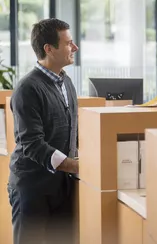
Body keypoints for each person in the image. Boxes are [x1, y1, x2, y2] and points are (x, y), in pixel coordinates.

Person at [7, 18, 79, 244]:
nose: (75, 48)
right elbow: (32, 144)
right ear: (49, 49)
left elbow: (69, 130)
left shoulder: (66, 82)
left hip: (62, 186)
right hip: (32, 188)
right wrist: (74, 164)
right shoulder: (28, 88)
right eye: (68, 43)